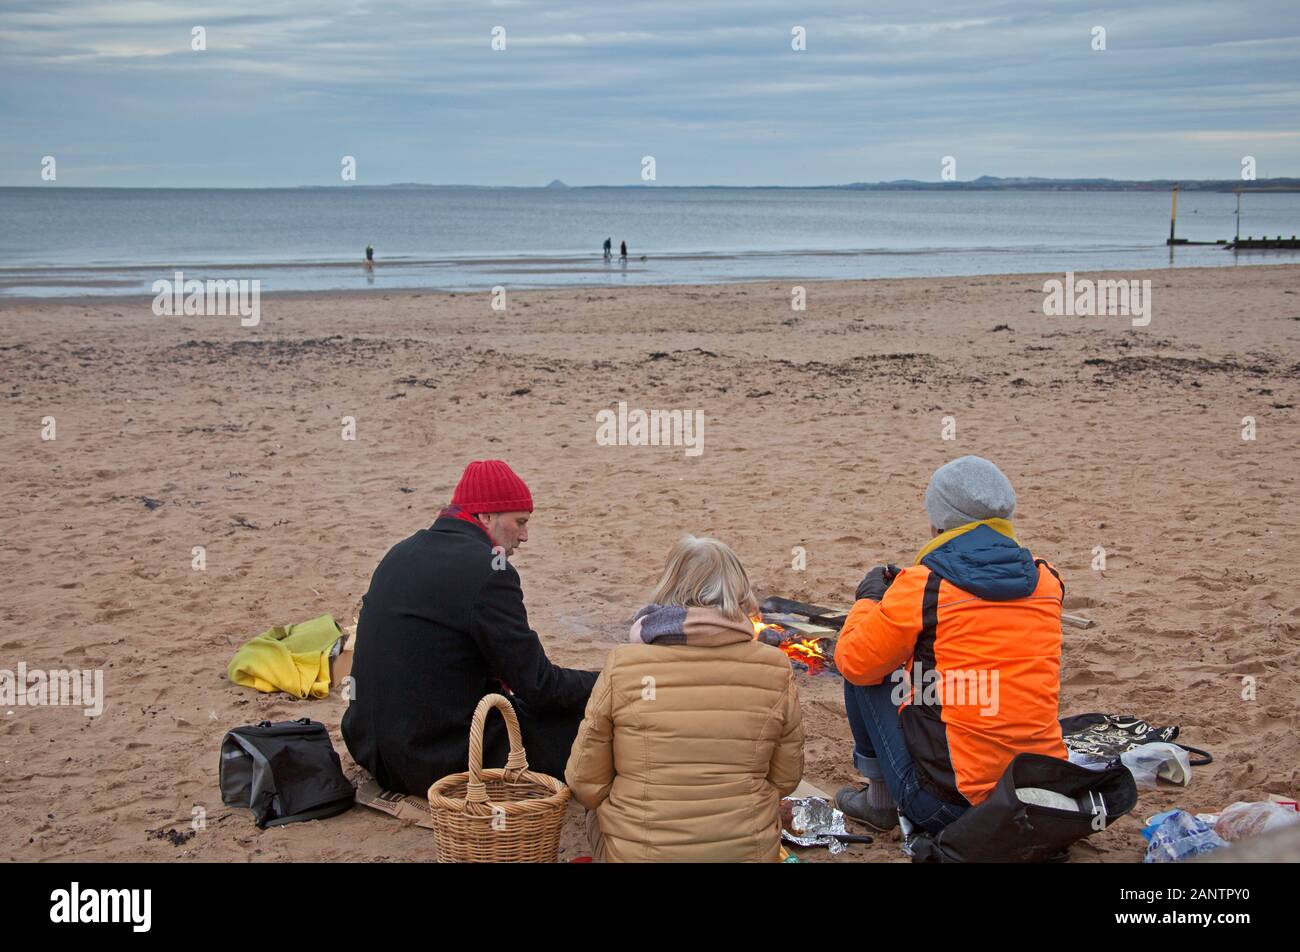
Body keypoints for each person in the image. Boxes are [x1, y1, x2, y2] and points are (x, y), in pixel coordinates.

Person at [833, 455, 1067, 835]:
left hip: (951, 807)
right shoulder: (1047, 579)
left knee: (865, 661)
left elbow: (855, 661)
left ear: (939, 521)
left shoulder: (925, 585)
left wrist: (869, 599)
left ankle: (880, 802)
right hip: (1042, 797)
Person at [342, 460, 597, 795]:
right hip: (436, 761)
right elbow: (537, 685)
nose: (524, 536)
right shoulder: (491, 570)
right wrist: (607, 682)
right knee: (591, 731)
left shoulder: (400, 553)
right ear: (485, 516)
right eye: (519, 522)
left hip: (373, 750)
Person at [565, 536, 804, 862]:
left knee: (595, 815)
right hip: (744, 850)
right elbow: (785, 779)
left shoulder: (624, 664)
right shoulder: (775, 668)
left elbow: (585, 782)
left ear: (669, 586)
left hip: (642, 852)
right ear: (739, 592)